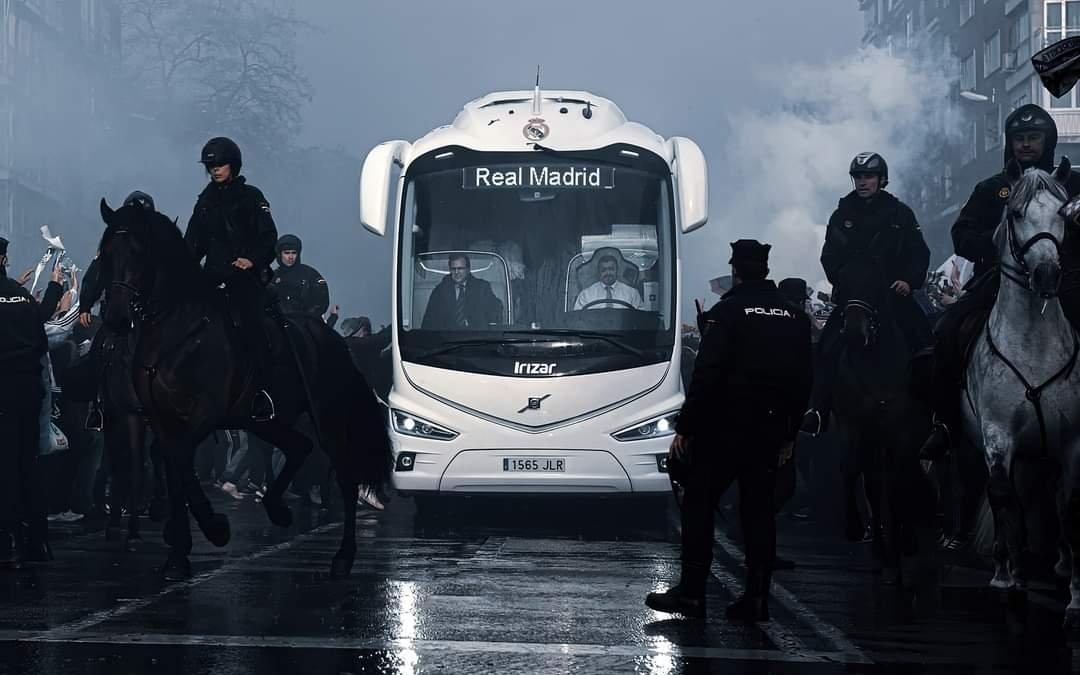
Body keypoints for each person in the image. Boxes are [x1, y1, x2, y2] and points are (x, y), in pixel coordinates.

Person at [646, 240, 813, 621]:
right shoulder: (795, 317)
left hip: (724, 428)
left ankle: (692, 592)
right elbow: (804, 380)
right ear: (765, 270)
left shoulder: (727, 312)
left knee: (699, 502)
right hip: (770, 429)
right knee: (759, 512)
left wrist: (685, 428)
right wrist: (789, 434)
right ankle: (757, 598)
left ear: (735, 270)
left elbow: (707, 375)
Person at [920, 103, 1080, 459]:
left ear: (1048, 141)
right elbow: (962, 232)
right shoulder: (993, 188)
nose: (1026, 144)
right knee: (948, 331)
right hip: (999, 283)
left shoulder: (1071, 185)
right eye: (1019, 138)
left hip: (1064, 282)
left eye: (1033, 137)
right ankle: (944, 423)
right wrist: (997, 246)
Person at [799, 152, 931, 436]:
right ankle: (817, 411)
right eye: (858, 176)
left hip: (894, 295)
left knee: (926, 341)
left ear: (881, 180)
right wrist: (846, 282)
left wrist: (908, 281)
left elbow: (919, 253)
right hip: (856, 298)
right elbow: (829, 257)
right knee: (827, 347)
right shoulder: (841, 215)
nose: (862, 182)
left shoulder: (900, 213)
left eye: (868, 176)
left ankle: (937, 416)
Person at [183, 137, 279, 421]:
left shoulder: (252, 196)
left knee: (252, 326)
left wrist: (251, 260)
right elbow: (192, 243)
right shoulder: (204, 202)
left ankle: (263, 391)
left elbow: (269, 238)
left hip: (245, 278)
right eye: (210, 165)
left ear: (233, 165)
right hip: (211, 278)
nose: (215, 169)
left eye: (220, 164)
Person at [0, 236, 64, 567]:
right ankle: (38, 540)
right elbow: (41, 330)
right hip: (28, 390)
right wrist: (54, 287)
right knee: (29, 463)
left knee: (4, 467)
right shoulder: (22, 296)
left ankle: (7, 538)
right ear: (4, 260)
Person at [79, 190, 156, 430]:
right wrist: (85, 304)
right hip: (119, 317)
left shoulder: (160, 242)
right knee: (99, 351)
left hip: (153, 317)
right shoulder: (115, 242)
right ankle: (97, 406)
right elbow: (95, 274)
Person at [421, 253, 502, 329]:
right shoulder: (439, 291)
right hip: (447, 337)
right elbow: (428, 322)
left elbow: (495, 312)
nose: (456, 272)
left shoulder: (482, 288)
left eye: (460, 268)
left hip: (476, 336)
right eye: (453, 269)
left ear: (468, 269)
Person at [271, 234, 330, 317]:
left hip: (307, 321)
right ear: (279, 254)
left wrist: (306, 317)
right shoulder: (273, 277)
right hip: (279, 321)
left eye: (294, 253)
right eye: (286, 253)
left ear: (298, 254)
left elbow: (322, 301)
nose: (290, 257)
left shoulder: (310, 274)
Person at [573, 253, 644, 310]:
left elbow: (640, 318)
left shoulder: (632, 293)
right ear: (599, 272)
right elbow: (578, 318)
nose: (608, 273)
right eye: (603, 270)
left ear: (617, 270)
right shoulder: (585, 295)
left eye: (611, 269)